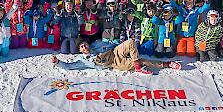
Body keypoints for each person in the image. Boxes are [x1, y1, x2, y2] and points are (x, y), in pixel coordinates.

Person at [51, 39, 181, 74]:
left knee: (130, 42)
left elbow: (109, 44)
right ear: (80, 50)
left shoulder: (96, 45)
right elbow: (69, 66)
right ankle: (166, 64)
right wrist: (57, 62)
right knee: (141, 61)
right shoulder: (82, 61)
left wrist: (119, 45)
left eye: (85, 45)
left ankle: (136, 65)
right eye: (82, 47)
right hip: (114, 63)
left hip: (115, 52)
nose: (85, 48)